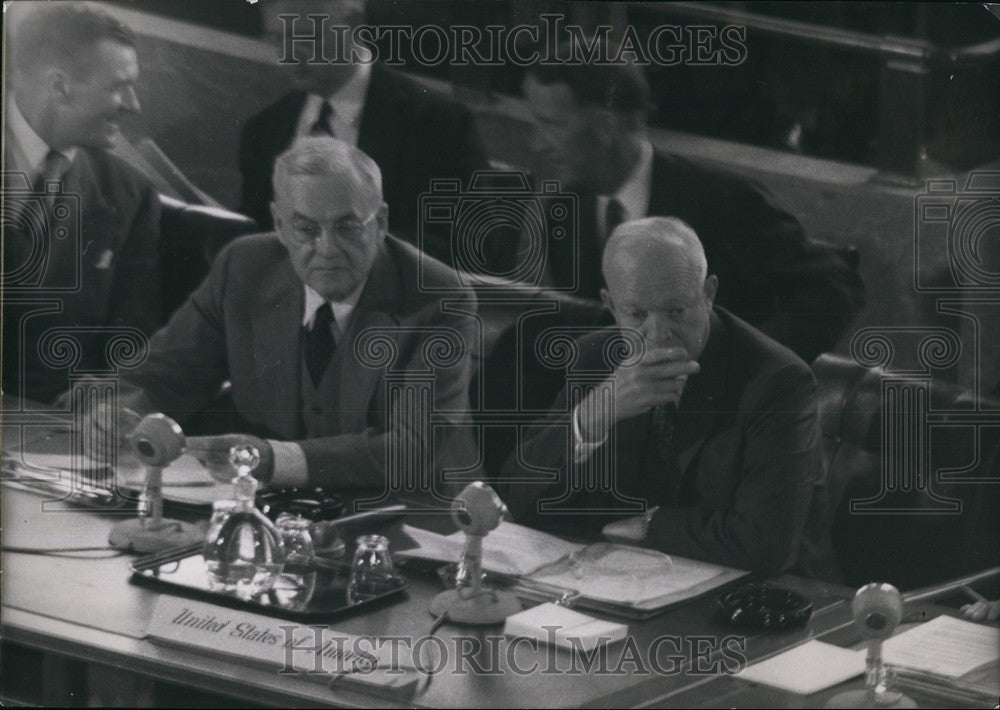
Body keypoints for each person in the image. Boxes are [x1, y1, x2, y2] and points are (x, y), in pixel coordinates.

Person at [116, 136, 477, 493]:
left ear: (380, 222)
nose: (327, 248)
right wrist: (121, 415)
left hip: (414, 511)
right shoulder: (244, 267)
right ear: (279, 225)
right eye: (306, 229)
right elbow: (165, 376)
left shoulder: (439, 299)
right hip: (283, 506)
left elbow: (411, 449)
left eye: (347, 227)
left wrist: (273, 459)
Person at [499, 217, 837, 578]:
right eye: (637, 314)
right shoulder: (595, 358)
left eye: (676, 311)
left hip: (762, 595)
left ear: (708, 294)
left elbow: (764, 545)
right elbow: (518, 496)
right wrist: (593, 414)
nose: (659, 334)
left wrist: (648, 527)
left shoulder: (777, 381)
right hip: (621, 581)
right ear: (611, 305)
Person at [518, 44, 865, 363]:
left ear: (606, 128)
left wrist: (746, 363)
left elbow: (834, 286)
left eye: (551, 125)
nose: (536, 144)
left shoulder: (722, 200)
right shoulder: (565, 209)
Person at [239, 0, 488, 267]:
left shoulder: (438, 123)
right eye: (277, 39)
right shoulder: (264, 129)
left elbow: (466, 244)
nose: (289, 56)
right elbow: (255, 237)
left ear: (355, 22)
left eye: (307, 37)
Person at [2, 2, 161, 403]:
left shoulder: (131, 196)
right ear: (59, 86)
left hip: (50, 425)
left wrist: (104, 390)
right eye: (118, 86)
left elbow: (127, 343)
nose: (134, 104)